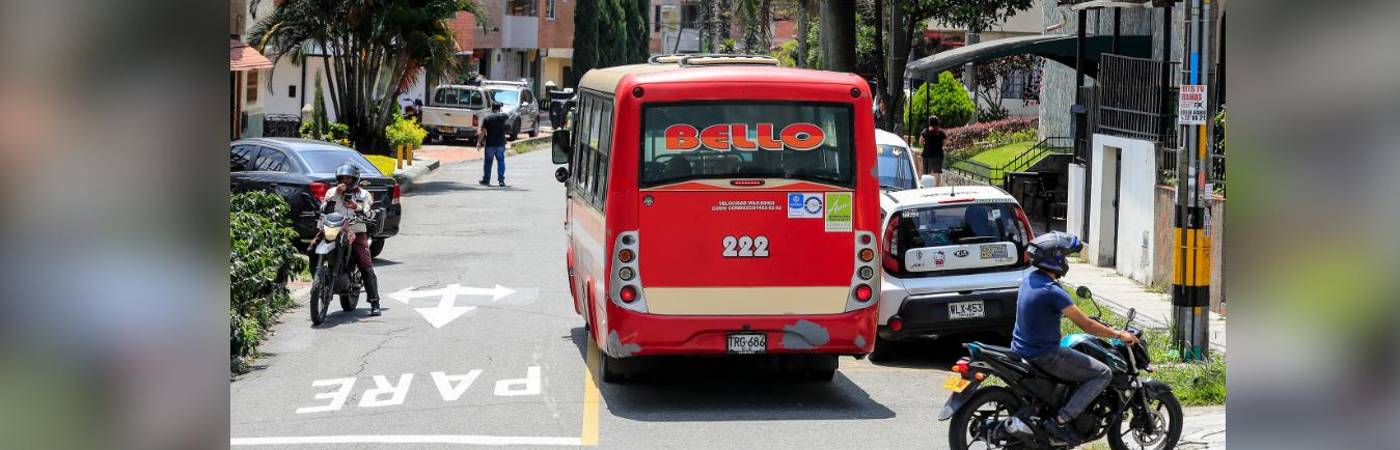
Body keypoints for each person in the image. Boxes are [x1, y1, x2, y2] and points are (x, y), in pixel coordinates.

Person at [1012, 231, 1138, 445]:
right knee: (1102, 373)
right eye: (1065, 257)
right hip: (1044, 355)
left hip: (1021, 349)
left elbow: (1059, 314)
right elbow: (1087, 325)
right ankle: (1062, 420)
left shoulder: (1030, 279)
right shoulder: (1053, 291)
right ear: (1056, 259)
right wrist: (1118, 334)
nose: (1066, 262)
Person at [318, 164, 382, 316]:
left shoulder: (364, 194)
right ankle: (318, 280)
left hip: (356, 232)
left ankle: (375, 302)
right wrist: (335, 196)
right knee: (312, 249)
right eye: (342, 178)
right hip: (334, 230)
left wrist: (357, 207)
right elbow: (323, 210)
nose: (345, 181)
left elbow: (370, 214)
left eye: (348, 178)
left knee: (365, 263)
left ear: (354, 179)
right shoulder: (332, 192)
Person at [477, 101, 510, 187]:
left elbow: (483, 132)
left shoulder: (487, 118)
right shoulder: (503, 116)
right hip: (500, 144)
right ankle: (501, 180)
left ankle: (486, 179)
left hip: (490, 143)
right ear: (499, 108)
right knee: (501, 162)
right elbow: (507, 116)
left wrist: (479, 142)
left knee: (488, 162)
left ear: (492, 108)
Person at [918, 115, 947, 185]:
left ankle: (926, 186)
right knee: (937, 173)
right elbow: (945, 143)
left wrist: (925, 144)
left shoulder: (925, 131)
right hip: (938, 155)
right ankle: (937, 187)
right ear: (937, 122)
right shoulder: (941, 132)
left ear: (929, 122)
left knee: (926, 172)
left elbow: (920, 142)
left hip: (927, 154)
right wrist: (939, 146)